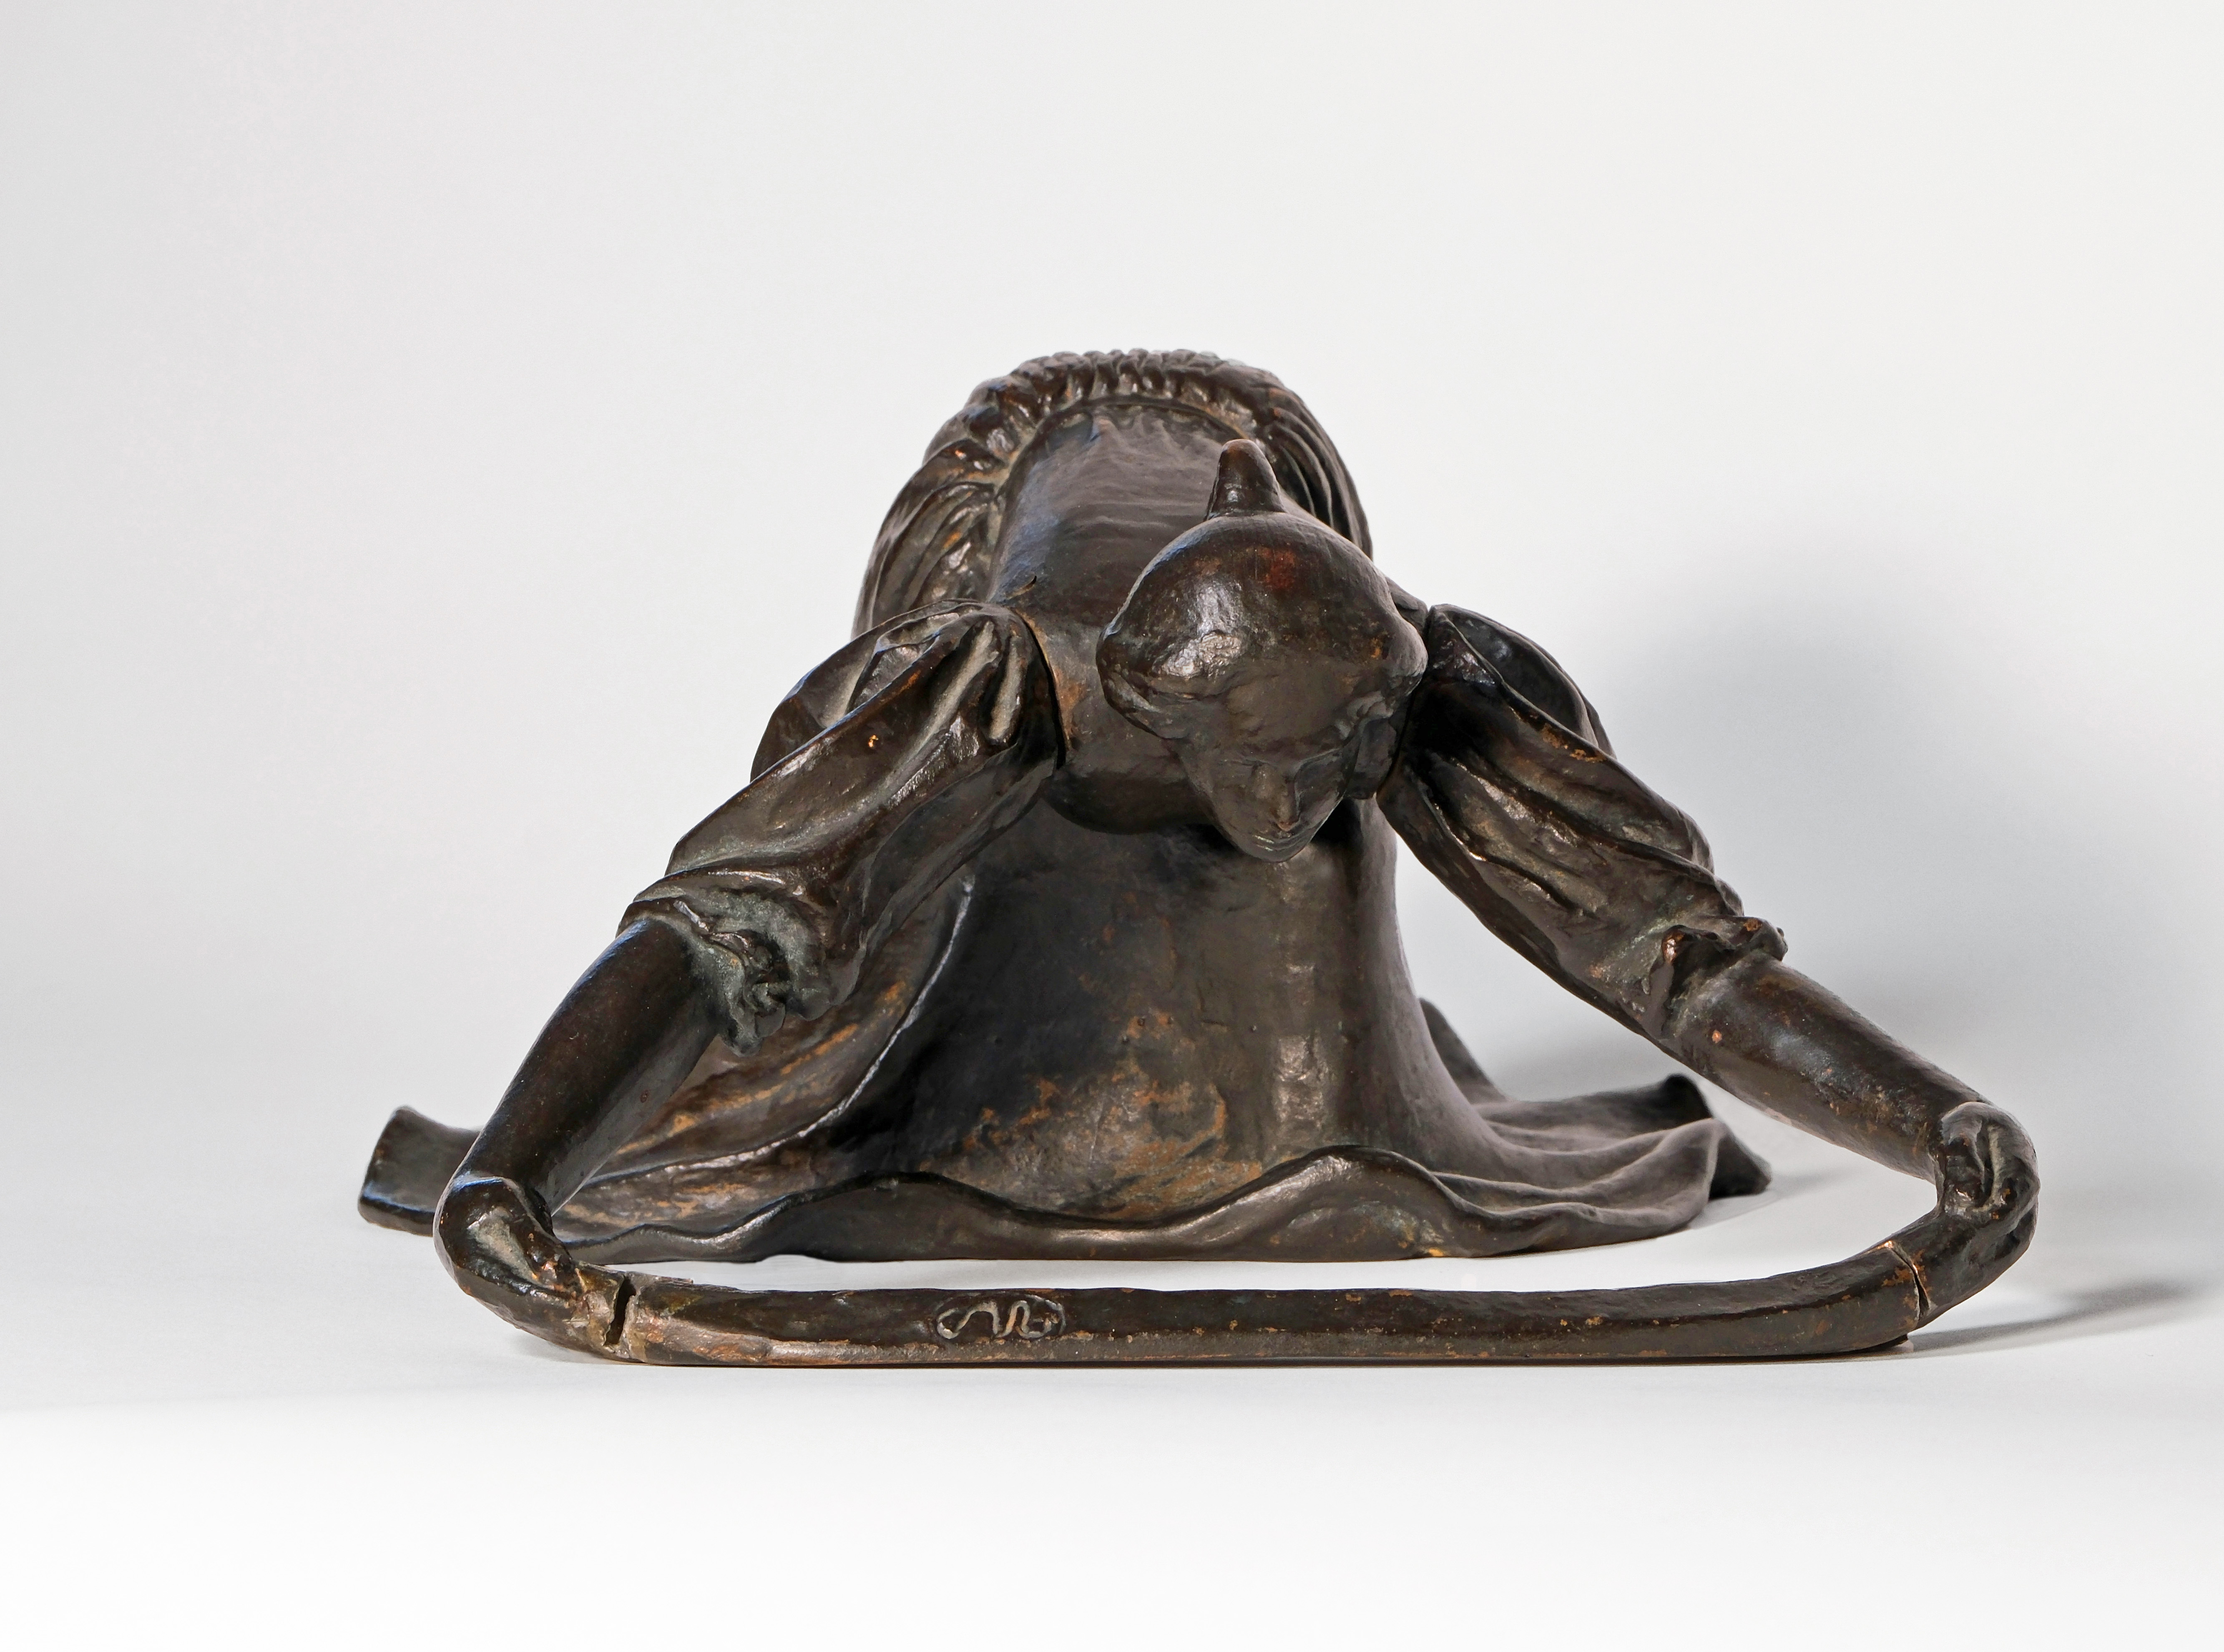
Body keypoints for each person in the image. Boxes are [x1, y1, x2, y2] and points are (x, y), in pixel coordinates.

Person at [360, 351, 2033, 1362]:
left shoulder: (1411, 685)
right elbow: (729, 929)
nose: (1305, 797)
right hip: (1010, 481)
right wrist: (515, 1173)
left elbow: (1673, 954)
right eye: (1261, 760)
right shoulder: (1001, 689)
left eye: (1337, 757)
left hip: (1250, 452)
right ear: (1157, 708)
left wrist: (1936, 1124)